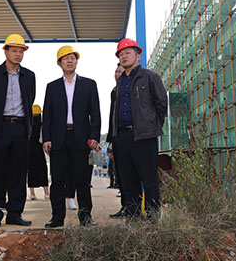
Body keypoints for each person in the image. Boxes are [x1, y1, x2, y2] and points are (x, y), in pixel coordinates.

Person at [109, 38, 168, 219]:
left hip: (144, 137)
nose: (124, 56)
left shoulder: (150, 77)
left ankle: (152, 216)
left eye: (127, 53)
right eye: (121, 54)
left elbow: (161, 104)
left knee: (149, 179)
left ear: (138, 56)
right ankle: (134, 217)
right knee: (128, 181)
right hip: (123, 138)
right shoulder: (119, 82)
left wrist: (150, 126)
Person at [42, 46, 101, 228]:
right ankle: (57, 217)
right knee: (58, 180)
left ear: (76, 61)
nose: (69, 61)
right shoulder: (52, 87)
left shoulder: (89, 85)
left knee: (82, 179)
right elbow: (47, 115)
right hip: (58, 139)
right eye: (65, 58)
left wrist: (94, 136)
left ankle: (85, 217)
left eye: (72, 58)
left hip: (81, 138)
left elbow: (95, 113)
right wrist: (46, 138)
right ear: (59, 63)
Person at [0, 34, 36, 228]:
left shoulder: (29, 76)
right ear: (5, 52)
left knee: (18, 173)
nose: (18, 54)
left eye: (21, 51)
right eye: (14, 50)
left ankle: (15, 213)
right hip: (0, 128)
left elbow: (30, 99)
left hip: (21, 128)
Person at [108, 63, 126, 217]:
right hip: (117, 137)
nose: (117, 74)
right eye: (116, 71)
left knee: (132, 175)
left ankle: (135, 208)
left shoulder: (131, 88)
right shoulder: (114, 91)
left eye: (120, 72)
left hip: (132, 137)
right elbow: (111, 116)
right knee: (120, 173)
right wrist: (110, 139)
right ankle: (125, 207)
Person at [28, 105, 49, 201]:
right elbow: (42, 138)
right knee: (43, 169)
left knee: (31, 171)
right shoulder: (41, 125)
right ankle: (46, 193)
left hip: (30, 149)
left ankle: (32, 194)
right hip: (39, 150)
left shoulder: (28, 124)